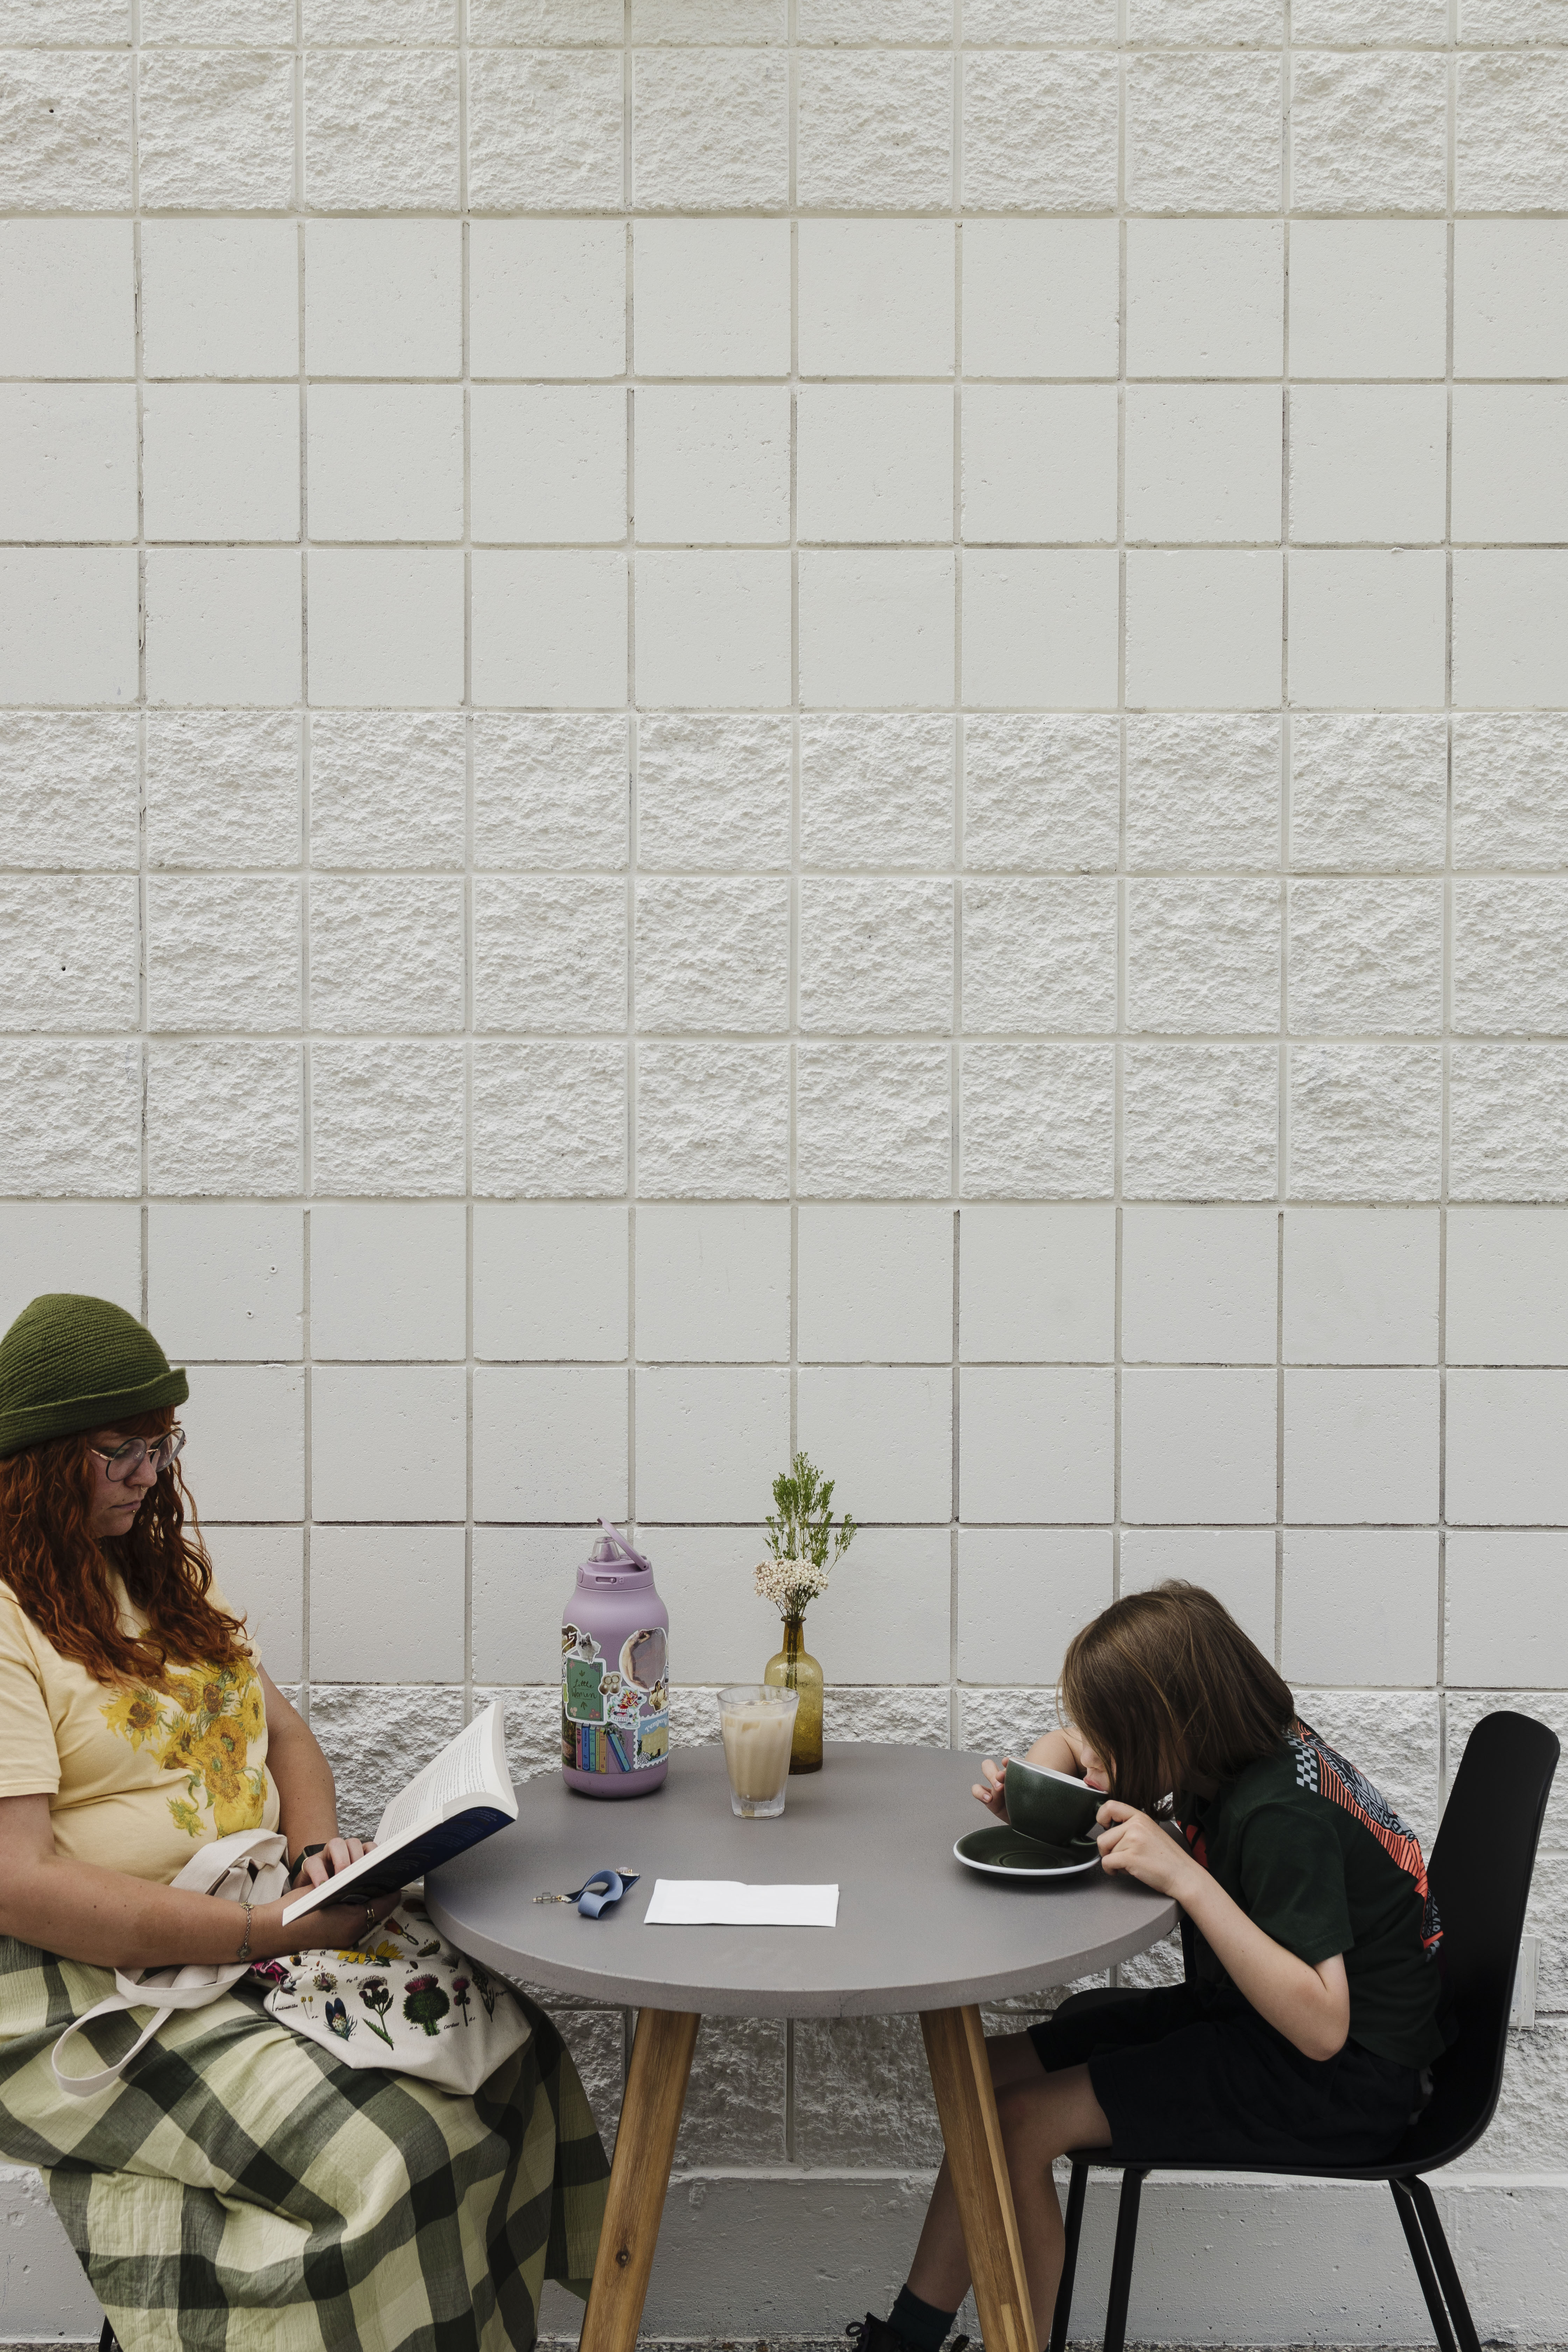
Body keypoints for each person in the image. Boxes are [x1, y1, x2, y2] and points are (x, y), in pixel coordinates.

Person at [0, 1292, 607, 2352]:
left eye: (161, 1445)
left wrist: (319, 1852)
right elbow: (21, 1883)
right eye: (119, 1450)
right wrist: (263, 1931)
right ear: (38, 1463)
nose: (148, 1473)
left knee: (516, 2057)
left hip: (246, 1921)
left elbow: (281, 1731)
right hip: (84, 1983)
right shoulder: (8, 1620)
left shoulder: (147, 1576)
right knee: (397, 2151)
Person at [852, 1582, 1447, 2352]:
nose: (1094, 1757)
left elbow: (1323, 2027)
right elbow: (1066, 1742)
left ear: (1171, 1723)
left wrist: (1187, 1880)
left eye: (1111, 1739)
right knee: (977, 2076)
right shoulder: (1234, 1747)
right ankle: (905, 2341)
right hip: (1250, 2017)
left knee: (1017, 2123)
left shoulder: (1279, 1816)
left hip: (1344, 2080)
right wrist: (1039, 1791)